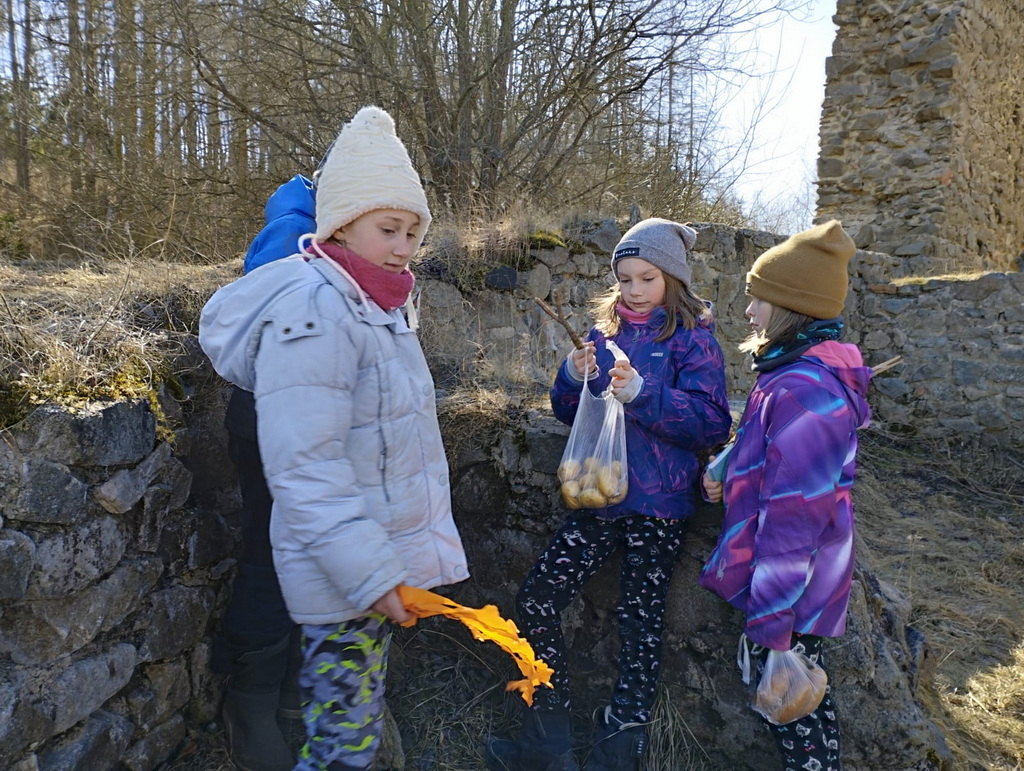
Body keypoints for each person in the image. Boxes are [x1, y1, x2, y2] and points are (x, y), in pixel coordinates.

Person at [200, 105, 469, 771]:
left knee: (347, 731)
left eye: (413, 231)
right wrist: (374, 573)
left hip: (364, 567)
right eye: (388, 229)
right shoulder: (316, 310)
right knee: (343, 746)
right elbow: (306, 470)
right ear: (340, 222)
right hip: (343, 572)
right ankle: (256, 705)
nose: (404, 246)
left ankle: (302, 713)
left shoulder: (376, 302)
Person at [487, 218, 732, 771]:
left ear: (673, 278)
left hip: (660, 507)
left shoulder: (694, 340)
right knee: (537, 599)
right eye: (624, 279)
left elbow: (712, 424)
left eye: (647, 278)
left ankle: (620, 749)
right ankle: (548, 734)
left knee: (640, 625)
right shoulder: (603, 335)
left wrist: (645, 394)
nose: (634, 290)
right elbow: (571, 414)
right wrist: (570, 377)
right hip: (597, 496)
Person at [698, 220, 871, 771]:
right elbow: (770, 449)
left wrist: (772, 625)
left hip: (792, 592)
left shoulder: (804, 392)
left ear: (792, 308)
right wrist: (730, 464)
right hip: (788, 585)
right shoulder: (790, 375)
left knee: (797, 711)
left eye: (759, 299)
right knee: (794, 708)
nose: (748, 311)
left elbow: (794, 520)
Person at [211, 167, 318, 771]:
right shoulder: (294, 233)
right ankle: (249, 702)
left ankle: (290, 689)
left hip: (323, 425)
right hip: (272, 422)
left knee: (310, 556)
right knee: (271, 556)